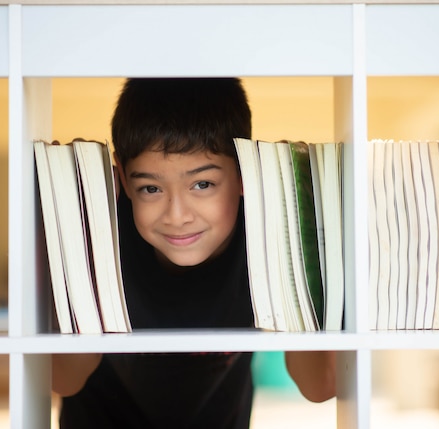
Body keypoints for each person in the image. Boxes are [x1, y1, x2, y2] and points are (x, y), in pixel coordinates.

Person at [52, 77, 336, 428]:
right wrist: (77, 219)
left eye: (203, 184)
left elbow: (319, 386)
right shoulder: (105, 228)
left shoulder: (265, 233)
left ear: (247, 171)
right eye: (150, 188)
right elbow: (64, 378)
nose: (177, 216)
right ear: (123, 180)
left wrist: (298, 209)